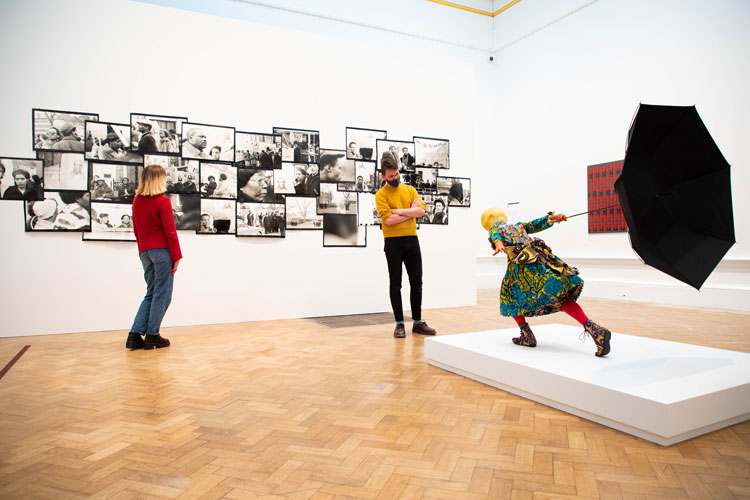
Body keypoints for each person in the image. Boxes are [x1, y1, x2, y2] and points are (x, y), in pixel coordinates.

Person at [481, 207, 611, 356]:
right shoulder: (517, 226)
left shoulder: (494, 228)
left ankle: (526, 335)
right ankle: (596, 331)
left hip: (522, 267)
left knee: (510, 297)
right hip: (542, 262)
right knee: (561, 298)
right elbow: (535, 224)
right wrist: (554, 218)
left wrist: (498, 244)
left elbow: (496, 236)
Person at [375, 157, 436, 338]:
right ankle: (399, 324)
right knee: (396, 284)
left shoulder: (409, 190)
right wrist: (410, 213)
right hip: (393, 242)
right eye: (391, 176)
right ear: (383, 176)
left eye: (397, 174)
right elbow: (389, 220)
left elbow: (421, 211)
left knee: (417, 282)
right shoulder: (381, 195)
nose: (395, 178)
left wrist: (398, 211)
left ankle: (417, 322)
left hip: (412, 240)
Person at [127, 164, 182, 351]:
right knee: (162, 295)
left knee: (151, 293)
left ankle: (134, 335)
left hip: (145, 252)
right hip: (162, 252)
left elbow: (137, 231)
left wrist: (142, 251)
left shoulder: (137, 201)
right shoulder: (162, 201)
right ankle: (152, 336)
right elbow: (171, 233)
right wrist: (177, 256)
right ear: (160, 179)